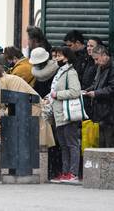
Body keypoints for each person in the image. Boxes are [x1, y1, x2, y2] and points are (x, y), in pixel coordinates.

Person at [50, 47, 81, 184]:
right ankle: (65, 171)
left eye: (59, 56)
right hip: (59, 113)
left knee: (72, 144)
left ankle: (73, 173)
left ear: (66, 57)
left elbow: (75, 91)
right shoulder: (60, 72)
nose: (57, 58)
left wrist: (58, 95)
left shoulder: (71, 72)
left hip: (68, 113)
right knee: (63, 145)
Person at [29, 47, 61, 180]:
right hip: (44, 108)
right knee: (51, 141)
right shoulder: (48, 72)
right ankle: (51, 169)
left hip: (51, 108)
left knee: (53, 141)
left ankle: (54, 169)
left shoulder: (55, 72)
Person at [84, 45, 114, 148]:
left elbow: (112, 88)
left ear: (104, 55)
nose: (96, 62)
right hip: (101, 113)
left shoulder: (112, 68)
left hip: (110, 114)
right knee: (101, 144)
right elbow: (95, 84)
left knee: (109, 144)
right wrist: (86, 91)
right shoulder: (101, 67)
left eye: (97, 59)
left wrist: (96, 93)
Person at [82, 37, 103, 116]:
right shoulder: (87, 60)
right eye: (87, 46)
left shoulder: (101, 63)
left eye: (91, 46)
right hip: (86, 96)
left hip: (96, 98)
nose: (89, 48)